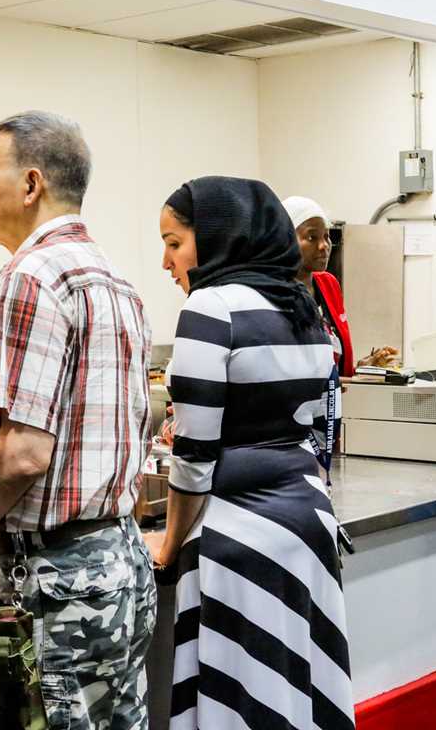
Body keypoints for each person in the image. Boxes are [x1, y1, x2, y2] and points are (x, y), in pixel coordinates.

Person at [0, 111, 156, 730]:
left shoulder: (29, 277)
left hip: (47, 591)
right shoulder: (115, 282)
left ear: (30, 185)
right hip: (113, 567)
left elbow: (23, 455)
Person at [148, 176, 355, 730]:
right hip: (308, 525)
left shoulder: (210, 307)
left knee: (244, 701)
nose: (167, 262)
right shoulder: (302, 306)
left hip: (238, 535)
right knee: (296, 695)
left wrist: (168, 545)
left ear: (219, 237)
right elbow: (313, 424)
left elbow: (194, 456)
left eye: (174, 244)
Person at [280, 195, 398, 376]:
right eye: (312, 237)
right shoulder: (275, 292)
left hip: (334, 394)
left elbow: (334, 368)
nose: (324, 246)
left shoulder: (328, 284)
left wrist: (361, 368)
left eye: (326, 236)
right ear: (285, 240)